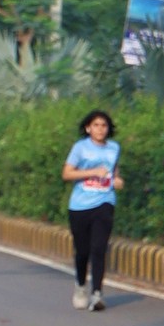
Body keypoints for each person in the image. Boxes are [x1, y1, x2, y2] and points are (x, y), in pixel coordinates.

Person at [61, 110, 121, 310]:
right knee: (83, 251)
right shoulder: (80, 148)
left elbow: (114, 171)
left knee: (99, 248)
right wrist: (92, 172)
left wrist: (117, 180)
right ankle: (80, 286)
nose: (100, 129)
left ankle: (97, 294)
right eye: (96, 125)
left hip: (105, 201)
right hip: (80, 205)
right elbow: (67, 173)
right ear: (88, 128)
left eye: (104, 125)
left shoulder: (114, 148)